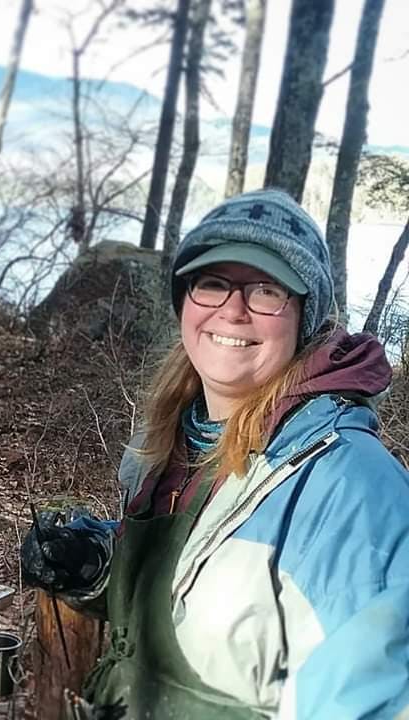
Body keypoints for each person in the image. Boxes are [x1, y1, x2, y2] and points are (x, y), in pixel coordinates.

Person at [21, 188, 409, 720]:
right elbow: (195, 596)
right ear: (185, 303)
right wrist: (95, 565)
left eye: (266, 290)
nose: (233, 311)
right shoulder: (173, 442)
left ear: (304, 315)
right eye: (212, 284)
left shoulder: (350, 490)